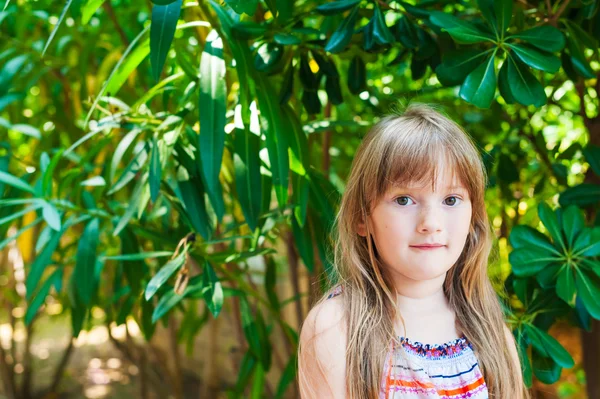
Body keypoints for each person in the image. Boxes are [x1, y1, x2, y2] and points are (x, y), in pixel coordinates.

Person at [297, 102, 528, 399]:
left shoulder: (489, 331)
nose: (431, 224)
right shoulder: (337, 329)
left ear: (473, 215)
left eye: (451, 199)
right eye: (404, 200)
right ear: (362, 217)